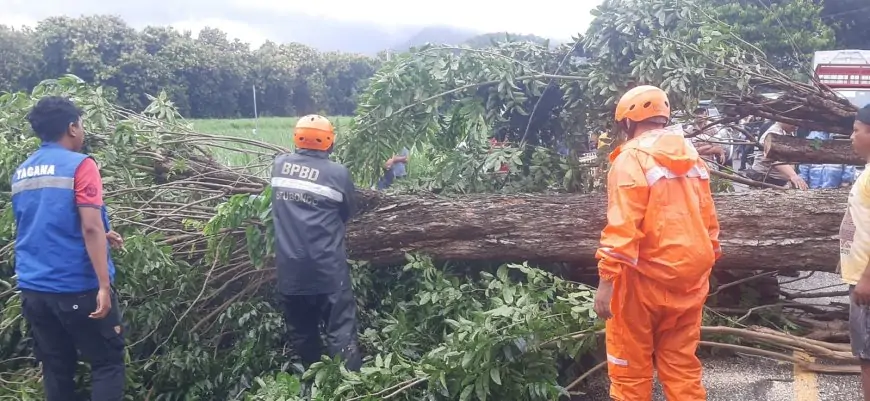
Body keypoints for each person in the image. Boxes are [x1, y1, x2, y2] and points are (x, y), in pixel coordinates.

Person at [593, 85, 721, 401]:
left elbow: (623, 226)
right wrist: (704, 264)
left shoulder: (630, 159)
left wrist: (606, 282)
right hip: (690, 280)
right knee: (681, 367)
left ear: (627, 122)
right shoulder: (692, 158)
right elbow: (709, 221)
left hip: (641, 282)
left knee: (629, 372)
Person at [11, 96, 125, 400]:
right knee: (107, 364)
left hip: (35, 289)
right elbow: (88, 226)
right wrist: (103, 285)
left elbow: (41, 224)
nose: (83, 130)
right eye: (82, 124)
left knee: (57, 369)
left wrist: (103, 234)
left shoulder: (23, 171)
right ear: (72, 127)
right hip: (76, 286)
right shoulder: (81, 165)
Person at [270, 115, 362, 372]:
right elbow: (347, 213)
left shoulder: (279, 166)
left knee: (303, 334)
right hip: (328, 272)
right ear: (329, 141)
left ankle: (313, 382)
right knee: (340, 332)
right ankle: (350, 388)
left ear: (297, 138)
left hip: (290, 273)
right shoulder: (338, 173)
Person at [841, 105, 870, 401]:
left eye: (856, 130)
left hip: (867, 282)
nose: (852, 137)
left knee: (868, 358)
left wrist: (866, 279)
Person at [745, 121, 809, 189]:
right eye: (793, 122)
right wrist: (793, 175)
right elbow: (775, 159)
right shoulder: (773, 134)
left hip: (779, 182)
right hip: (764, 180)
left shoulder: (788, 132)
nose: (796, 126)